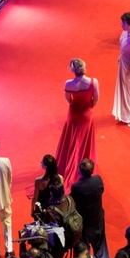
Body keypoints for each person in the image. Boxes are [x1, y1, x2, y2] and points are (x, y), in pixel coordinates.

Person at [54, 59, 99, 192]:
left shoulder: (68, 84)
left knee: (72, 139)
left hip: (73, 114)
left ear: (73, 70)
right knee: (84, 139)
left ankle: (72, 161)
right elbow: (95, 99)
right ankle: (84, 162)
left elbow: (68, 99)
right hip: (87, 114)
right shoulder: (93, 82)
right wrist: (87, 108)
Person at [71, 158, 108, 258]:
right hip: (98, 219)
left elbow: (74, 202)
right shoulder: (98, 180)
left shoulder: (77, 187)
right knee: (100, 244)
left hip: (85, 223)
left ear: (79, 171)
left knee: (84, 246)